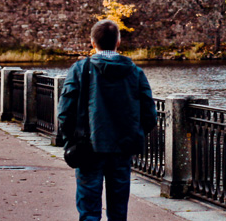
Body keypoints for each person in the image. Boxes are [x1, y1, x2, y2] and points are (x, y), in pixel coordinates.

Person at [58, 19, 158, 221]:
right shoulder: (135, 72)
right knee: (119, 210)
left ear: (93, 43)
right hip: (122, 148)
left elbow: (65, 112)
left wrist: (71, 141)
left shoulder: (80, 69)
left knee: (89, 210)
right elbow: (149, 114)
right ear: (118, 42)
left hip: (88, 146)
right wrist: (134, 135)